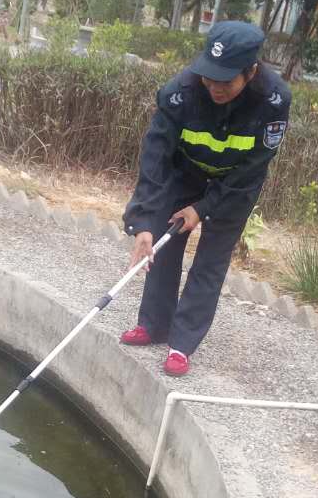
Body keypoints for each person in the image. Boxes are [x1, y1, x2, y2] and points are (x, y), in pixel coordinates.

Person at [120, 21, 291, 376]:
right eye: (209, 77)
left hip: (235, 185)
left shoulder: (273, 101)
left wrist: (203, 208)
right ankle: (154, 325)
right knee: (164, 244)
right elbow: (155, 157)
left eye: (225, 81)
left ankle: (182, 344)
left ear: (251, 72)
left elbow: (253, 168)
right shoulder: (180, 92)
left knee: (210, 262)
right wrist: (144, 220)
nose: (214, 87)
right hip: (185, 173)